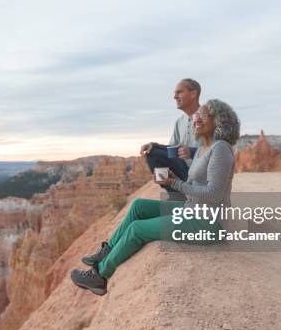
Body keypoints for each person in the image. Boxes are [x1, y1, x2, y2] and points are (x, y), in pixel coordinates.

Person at [71, 99, 240, 295]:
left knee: (137, 229)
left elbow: (214, 194)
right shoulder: (203, 149)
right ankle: (107, 251)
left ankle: (100, 276)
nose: (196, 119)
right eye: (196, 115)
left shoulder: (220, 149)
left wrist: (175, 184)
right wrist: (173, 179)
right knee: (139, 206)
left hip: (210, 224)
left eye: (203, 115)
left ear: (218, 121)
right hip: (192, 210)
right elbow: (195, 186)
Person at [140, 79, 201, 196]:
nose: (175, 97)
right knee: (151, 152)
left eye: (179, 92)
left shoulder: (210, 119)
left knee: (154, 152)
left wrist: (192, 152)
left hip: (200, 174)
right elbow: (172, 149)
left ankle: (180, 195)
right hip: (182, 170)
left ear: (193, 94)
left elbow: (219, 151)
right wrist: (154, 145)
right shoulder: (180, 122)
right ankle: (174, 194)